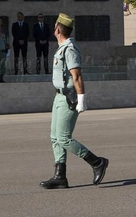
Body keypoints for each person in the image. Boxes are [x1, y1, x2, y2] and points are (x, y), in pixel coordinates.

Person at [40, 13, 108, 188]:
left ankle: (97, 162)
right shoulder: (62, 47)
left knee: (64, 138)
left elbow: (76, 75)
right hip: (59, 96)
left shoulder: (70, 48)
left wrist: (82, 98)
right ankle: (60, 176)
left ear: (57, 28)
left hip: (68, 98)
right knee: (55, 137)